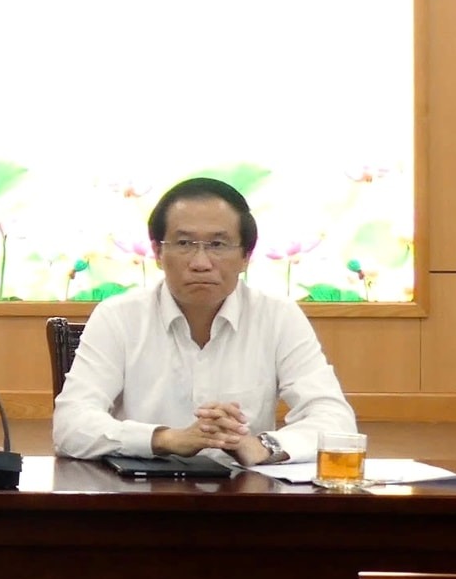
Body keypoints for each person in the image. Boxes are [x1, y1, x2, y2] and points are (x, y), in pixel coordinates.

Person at [52, 177, 357, 465]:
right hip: (141, 491)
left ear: (246, 256)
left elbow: (335, 420)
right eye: (184, 244)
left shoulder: (278, 316)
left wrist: (261, 446)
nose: (200, 263)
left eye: (218, 245)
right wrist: (166, 439)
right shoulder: (117, 316)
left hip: (245, 493)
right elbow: (70, 424)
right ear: (157, 252)